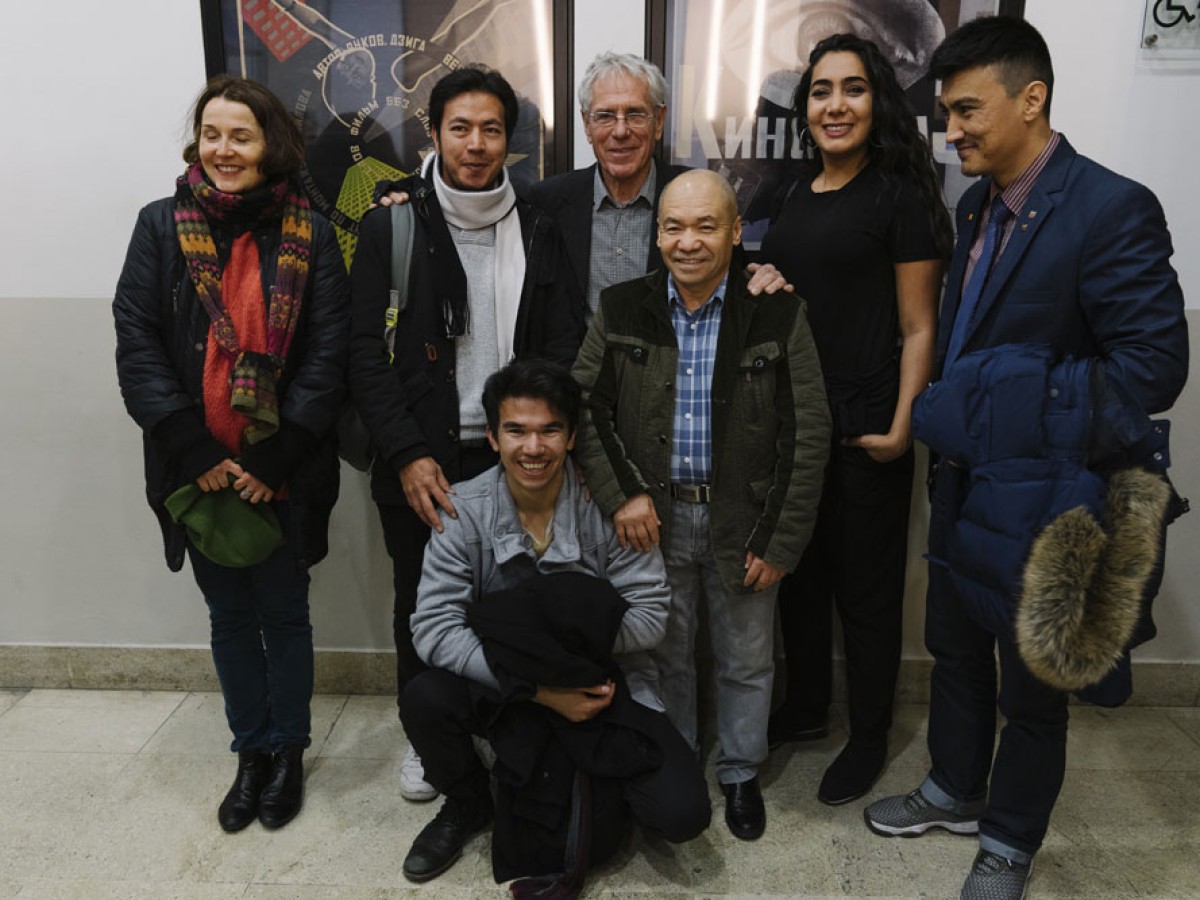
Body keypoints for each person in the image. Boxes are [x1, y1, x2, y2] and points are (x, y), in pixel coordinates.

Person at [861, 18, 1188, 900]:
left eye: (967, 110)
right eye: (945, 113)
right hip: (967, 484)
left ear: (1031, 98)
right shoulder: (975, 204)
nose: (952, 130)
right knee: (957, 647)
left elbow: (1153, 369)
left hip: (1050, 499)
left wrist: (1005, 410)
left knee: (1032, 684)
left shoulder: (1111, 206)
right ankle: (955, 788)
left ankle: (1008, 838)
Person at [113, 76, 350, 832]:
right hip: (200, 468)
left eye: (239, 136)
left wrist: (276, 460)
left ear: (269, 145)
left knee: (284, 614)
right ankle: (250, 751)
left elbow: (329, 355)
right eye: (211, 134)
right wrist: (190, 446)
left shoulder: (311, 233)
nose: (223, 150)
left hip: (280, 470)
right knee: (227, 619)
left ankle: (289, 756)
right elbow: (138, 341)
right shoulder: (159, 226)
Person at [571, 169, 831, 840]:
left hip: (740, 519)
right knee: (665, 653)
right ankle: (678, 761)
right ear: (657, 234)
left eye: (706, 226)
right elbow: (587, 409)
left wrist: (779, 540)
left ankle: (741, 771)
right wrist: (622, 494)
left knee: (747, 657)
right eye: (673, 227)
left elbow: (808, 435)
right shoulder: (621, 307)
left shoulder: (777, 313)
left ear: (736, 233)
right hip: (649, 520)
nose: (688, 242)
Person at [348, 64, 580, 804]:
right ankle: (431, 742)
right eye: (460, 127)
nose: (475, 144)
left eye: (491, 130)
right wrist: (410, 454)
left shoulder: (538, 220)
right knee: (424, 601)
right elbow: (363, 353)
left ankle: (504, 729)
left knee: (514, 597)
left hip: (518, 451)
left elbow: (558, 338)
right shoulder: (391, 221)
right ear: (435, 133)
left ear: (509, 141)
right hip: (423, 453)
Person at [399, 360, 711, 884]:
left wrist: (565, 667)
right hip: (511, 690)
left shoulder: (612, 508)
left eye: (549, 430)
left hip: (608, 686)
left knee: (682, 815)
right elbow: (433, 628)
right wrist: (537, 688)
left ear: (570, 437)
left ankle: (589, 777)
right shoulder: (462, 510)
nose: (533, 448)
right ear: (493, 438)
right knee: (424, 696)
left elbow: (652, 617)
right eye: (516, 430)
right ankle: (468, 802)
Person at [758, 33, 951, 807]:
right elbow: (798, 295)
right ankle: (806, 709)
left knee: (866, 598)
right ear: (804, 108)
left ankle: (868, 736)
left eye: (854, 89)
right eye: (821, 92)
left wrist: (904, 425)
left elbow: (920, 328)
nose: (835, 105)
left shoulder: (901, 195)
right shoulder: (797, 194)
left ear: (881, 102)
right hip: (797, 427)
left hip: (870, 424)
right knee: (798, 582)